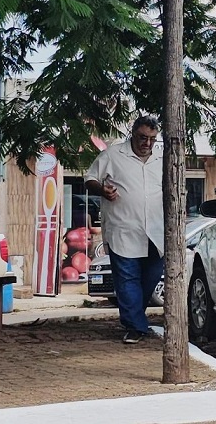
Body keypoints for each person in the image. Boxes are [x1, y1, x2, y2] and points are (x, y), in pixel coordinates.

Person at [84, 115, 164, 344]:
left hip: (155, 232)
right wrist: (102, 190)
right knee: (127, 279)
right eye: (142, 137)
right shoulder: (113, 155)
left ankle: (134, 318)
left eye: (152, 139)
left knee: (150, 277)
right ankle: (135, 326)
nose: (147, 143)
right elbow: (89, 179)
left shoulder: (161, 158)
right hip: (123, 229)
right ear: (133, 134)